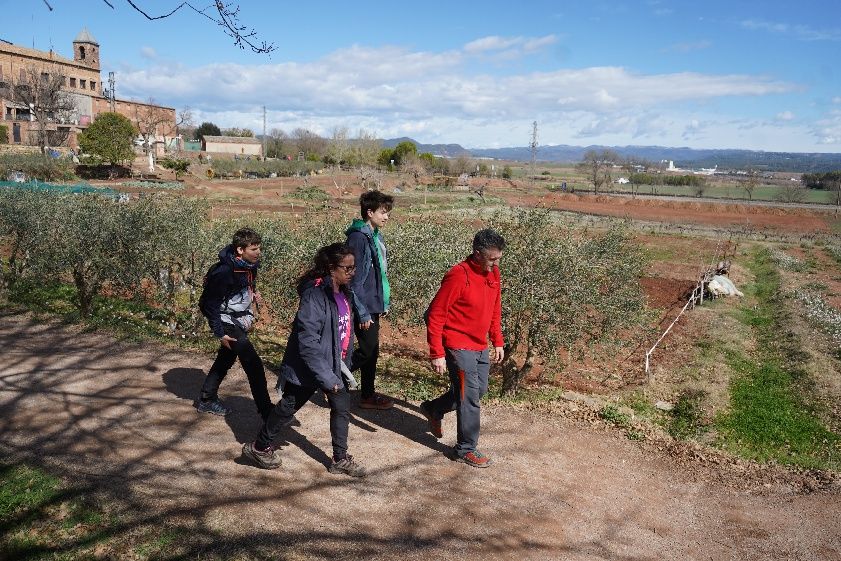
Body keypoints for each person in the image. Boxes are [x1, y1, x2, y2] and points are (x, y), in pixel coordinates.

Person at [241, 243, 366, 477]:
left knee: (341, 407)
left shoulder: (344, 291)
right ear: (331, 267)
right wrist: (326, 377)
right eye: (346, 268)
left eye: (354, 267)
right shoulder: (315, 295)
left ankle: (340, 458)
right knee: (289, 406)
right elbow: (308, 342)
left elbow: (341, 332)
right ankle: (259, 447)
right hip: (309, 365)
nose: (352, 272)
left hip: (333, 364)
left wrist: (341, 365)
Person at [419, 229, 506, 468]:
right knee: (469, 398)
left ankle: (434, 408)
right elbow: (436, 314)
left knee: (478, 392)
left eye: (498, 258)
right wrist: (436, 352)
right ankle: (465, 448)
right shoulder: (458, 275)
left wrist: (497, 339)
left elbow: (494, 309)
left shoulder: (494, 274)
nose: (496, 263)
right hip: (457, 345)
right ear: (477, 254)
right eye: (492, 259)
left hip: (479, 345)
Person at [196, 228, 273, 420]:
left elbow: (243, 285)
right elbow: (210, 304)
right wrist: (220, 333)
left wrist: (252, 293)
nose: (258, 252)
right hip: (226, 321)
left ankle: (206, 399)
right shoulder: (224, 272)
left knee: (226, 358)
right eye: (254, 249)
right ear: (240, 250)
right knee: (253, 364)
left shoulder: (249, 265)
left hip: (238, 318)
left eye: (259, 248)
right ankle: (268, 412)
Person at [345, 191, 395, 410]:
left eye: (387, 213)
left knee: (372, 351)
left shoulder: (374, 234)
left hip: (372, 302)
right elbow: (353, 279)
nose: (386, 217)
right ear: (369, 212)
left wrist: (382, 302)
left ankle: (367, 395)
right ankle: (332, 380)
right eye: (383, 213)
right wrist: (362, 311)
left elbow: (379, 272)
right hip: (362, 304)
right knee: (366, 350)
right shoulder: (358, 237)